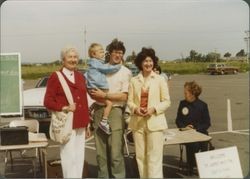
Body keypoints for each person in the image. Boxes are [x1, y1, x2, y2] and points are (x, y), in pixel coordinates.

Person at [44, 46, 91, 178]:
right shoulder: (56, 76)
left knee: (79, 158)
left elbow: (85, 101)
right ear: (63, 59)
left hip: (81, 122)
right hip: (66, 123)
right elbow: (47, 101)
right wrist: (64, 107)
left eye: (75, 57)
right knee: (68, 158)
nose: (73, 59)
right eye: (70, 57)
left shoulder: (81, 77)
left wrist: (88, 124)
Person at [89, 39, 132, 178]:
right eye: (115, 52)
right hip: (99, 110)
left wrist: (105, 95)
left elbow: (124, 96)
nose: (118, 55)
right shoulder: (101, 67)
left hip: (115, 112)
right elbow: (92, 87)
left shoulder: (125, 72)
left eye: (120, 53)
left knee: (115, 154)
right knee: (101, 154)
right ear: (110, 53)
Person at [127, 47, 171, 178]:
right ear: (140, 63)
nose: (148, 64)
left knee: (154, 158)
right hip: (138, 124)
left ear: (154, 62)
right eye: (145, 61)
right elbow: (129, 102)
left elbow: (167, 101)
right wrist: (136, 109)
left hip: (155, 124)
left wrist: (154, 109)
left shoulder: (160, 79)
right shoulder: (134, 81)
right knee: (141, 157)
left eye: (150, 61)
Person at [175, 81, 211, 175]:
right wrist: (184, 127)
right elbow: (178, 120)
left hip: (200, 132)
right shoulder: (182, 103)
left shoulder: (202, 105)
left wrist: (195, 128)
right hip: (186, 133)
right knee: (193, 144)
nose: (184, 94)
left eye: (186, 93)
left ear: (192, 94)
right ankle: (191, 166)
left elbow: (207, 123)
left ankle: (203, 166)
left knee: (204, 142)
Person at [85, 43, 121, 135]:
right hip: (98, 88)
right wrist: (118, 66)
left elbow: (86, 75)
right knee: (109, 103)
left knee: (100, 100)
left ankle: (91, 108)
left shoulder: (92, 64)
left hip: (93, 88)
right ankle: (104, 122)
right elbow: (107, 69)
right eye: (100, 51)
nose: (103, 53)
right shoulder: (96, 63)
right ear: (93, 54)